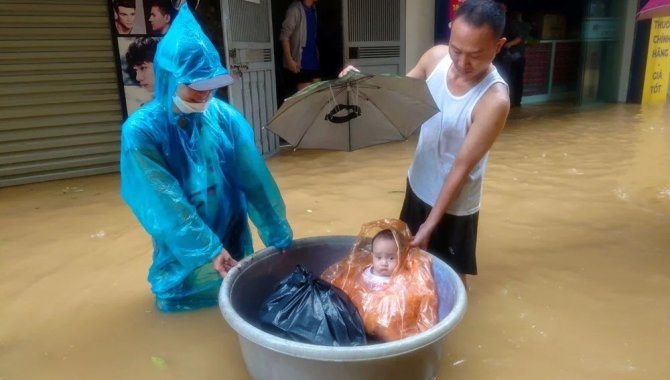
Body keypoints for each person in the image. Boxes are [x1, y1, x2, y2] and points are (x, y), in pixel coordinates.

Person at [120, 4, 292, 312]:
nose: (205, 96)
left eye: (211, 88)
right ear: (170, 79)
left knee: (236, 298)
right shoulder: (141, 132)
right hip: (184, 248)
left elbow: (254, 180)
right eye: (195, 89)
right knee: (182, 301)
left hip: (232, 228)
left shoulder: (224, 117)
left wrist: (278, 234)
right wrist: (208, 248)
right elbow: (164, 202)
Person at [340, 0, 510, 289]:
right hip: (419, 183)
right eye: (456, 50)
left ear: (499, 46)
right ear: (450, 34)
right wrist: (362, 83)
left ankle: (452, 327)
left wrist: (431, 224)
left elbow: (462, 166)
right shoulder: (435, 59)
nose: (462, 63)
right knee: (407, 263)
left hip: (455, 204)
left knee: (452, 278)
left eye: (475, 55)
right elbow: (398, 96)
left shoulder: (494, 100)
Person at [322, 219, 437, 342]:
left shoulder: (402, 277)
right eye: (379, 257)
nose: (384, 263)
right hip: (363, 318)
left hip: (387, 323)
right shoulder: (365, 272)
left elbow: (414, 294)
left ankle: (391, 342)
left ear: (401, 257)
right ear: (372, 256)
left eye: (391, 258)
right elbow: (354, 289)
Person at [279, 0, 320, 93]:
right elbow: (284, 36)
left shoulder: (313, 9)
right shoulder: (294, 9)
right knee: (305, 101)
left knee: (317, 99)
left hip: (314, 62)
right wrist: (289, 61)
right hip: (301, 64)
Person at [495, 3, 530, 107]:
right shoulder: (495, 21)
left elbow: (518, 38)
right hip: (500, 56)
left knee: (507, 79)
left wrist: (507, 45)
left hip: (508, 57)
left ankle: (511, 102)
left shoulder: (510, 23)